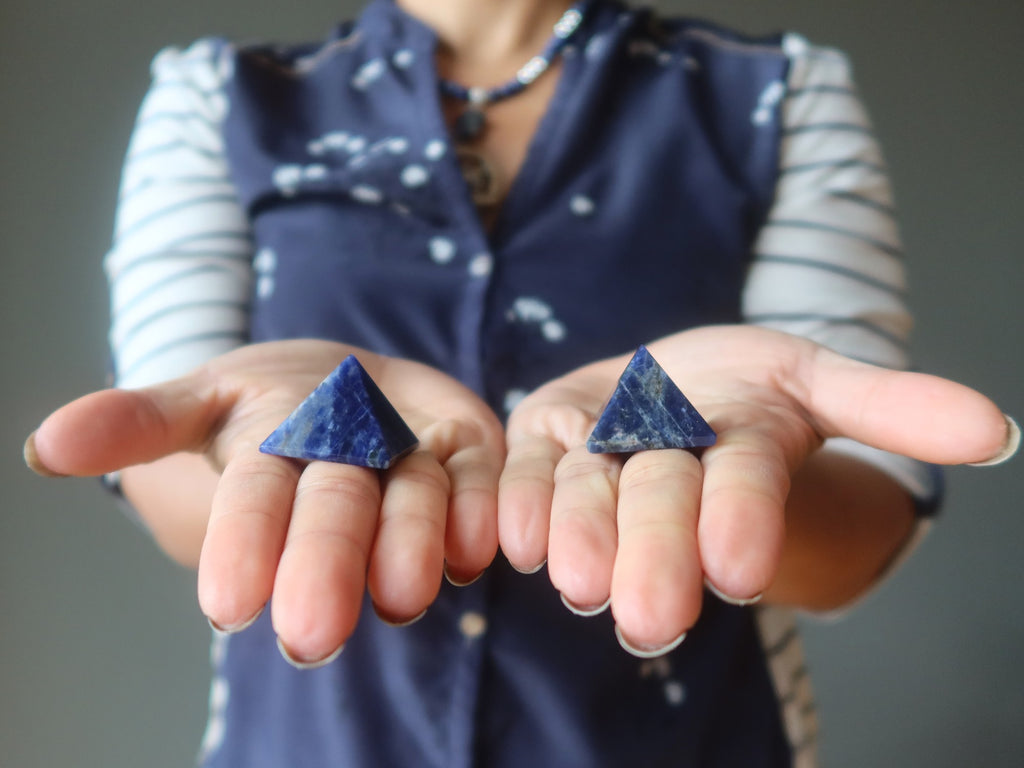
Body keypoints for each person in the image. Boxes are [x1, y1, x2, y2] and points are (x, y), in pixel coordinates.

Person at [24, 0, 1019, 765]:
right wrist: (270, 443)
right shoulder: (219, 98)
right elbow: (177, 498)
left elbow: (854, 543)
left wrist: (740, 451)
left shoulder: (775, 94)